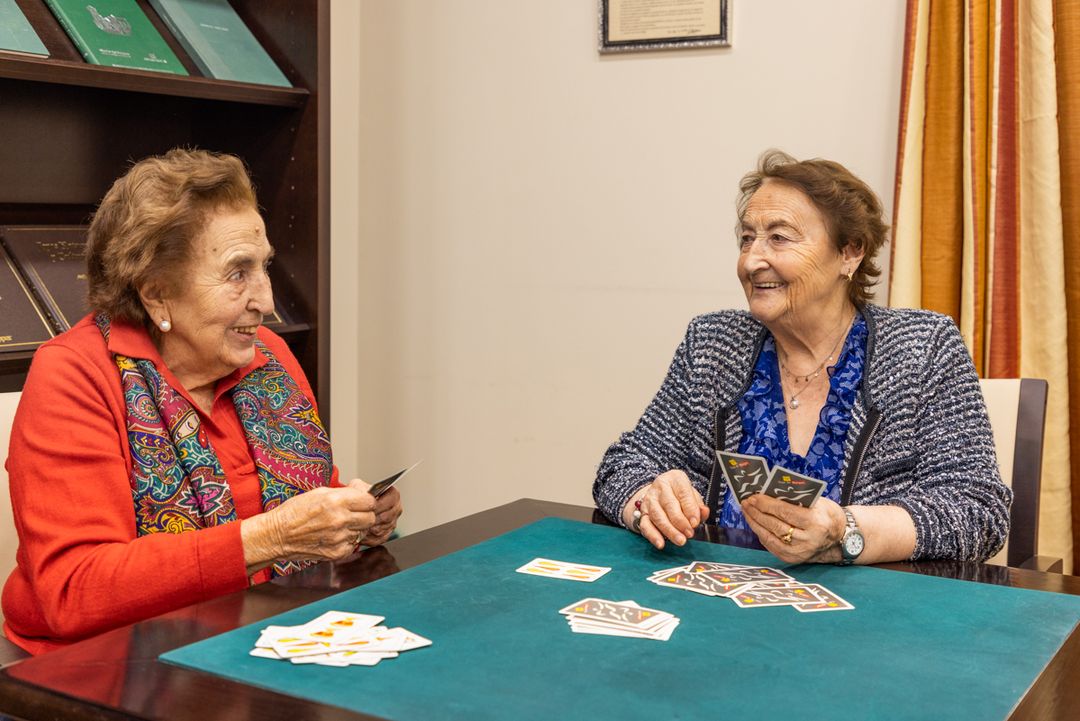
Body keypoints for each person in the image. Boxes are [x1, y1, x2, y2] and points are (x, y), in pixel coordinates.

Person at [2, 149, 402, 654]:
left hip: (260, 639)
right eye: (238, 273)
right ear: (156, 294)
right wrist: (271, 538)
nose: (267, 300)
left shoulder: (269, 356)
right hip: (109, 668)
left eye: (264, 268)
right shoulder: (76, 374)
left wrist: (354, 517)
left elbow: (293, 504)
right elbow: (75, 591)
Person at [593, 150, 1010, 565]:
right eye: (747, 238)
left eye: (779, 237)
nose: (752, 261)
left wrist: (845, 532)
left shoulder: (922, 347)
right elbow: (624, 464)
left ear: (850, 252)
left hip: (867, 617)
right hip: (718, 605)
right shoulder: (713, 343)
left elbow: (978, 511)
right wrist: (649, 499)